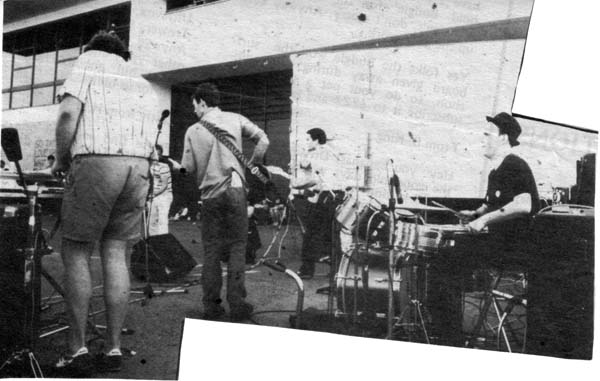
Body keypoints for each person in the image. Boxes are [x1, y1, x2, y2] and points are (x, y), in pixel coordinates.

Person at [51, 30, 155, 376]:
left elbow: (68, 115)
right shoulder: (139, 80)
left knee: (77, 252)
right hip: (138, 167)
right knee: (115, 253)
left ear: (92, 47)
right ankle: (112, 346)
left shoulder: (87, 61)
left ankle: (76, 348)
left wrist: (61, 160)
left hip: (97, 162)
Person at [429, 112, 540, 346]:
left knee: (443, 262)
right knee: (443, 258)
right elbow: (493, 203)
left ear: (503, 138)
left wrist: (484, 220)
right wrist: (476, 214)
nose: (483, 139)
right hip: (499, 244)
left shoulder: (514, 165)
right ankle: (447, 328)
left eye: (488, 134)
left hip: (513, 248)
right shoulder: (496, 170)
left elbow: (524, 204)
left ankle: (449, 338)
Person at [181, 82, 269, 321]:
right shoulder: (235, 118)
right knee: (238, 247)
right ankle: (238, 305)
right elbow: (263, 140)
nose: (194, 111)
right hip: (236, 188)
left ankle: (212, 307)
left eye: (195, 106)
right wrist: (253, 165)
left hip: (210, 194)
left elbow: (187, 168)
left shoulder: (193, 130)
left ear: (202, 102)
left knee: (211, 250)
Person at [290, 128, 343, 279]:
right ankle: (337, 271)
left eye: (308, 140)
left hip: (327, 195)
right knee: (331, 234)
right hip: (334, 195)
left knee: (311, 233)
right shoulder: (329, 152)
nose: (306, 143)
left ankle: (306, 270)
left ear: (316, 140)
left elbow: (313, 177)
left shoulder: (320, 152)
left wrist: (296, 184)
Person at [148, 145, 173, 236]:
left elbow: (164, 185)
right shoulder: (148, 167)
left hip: (164, 196)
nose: (156, 157)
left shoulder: (164, 167)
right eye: (154, 154)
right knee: (151, 221)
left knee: (162, 221)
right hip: (153, 196)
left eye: (158, 154)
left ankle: (163, 243)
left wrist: (153, 194)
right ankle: (152, 241)